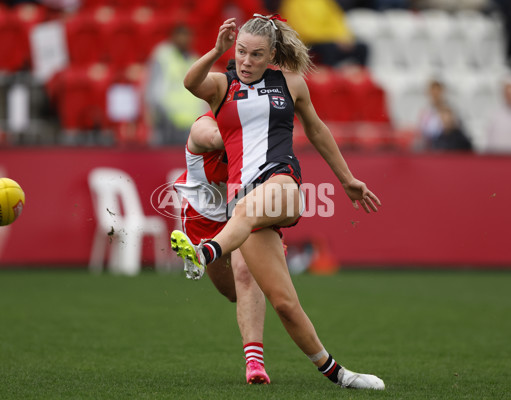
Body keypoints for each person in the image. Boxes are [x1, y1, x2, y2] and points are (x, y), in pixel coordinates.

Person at [170, 14, 385, 390]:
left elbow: (316, 129)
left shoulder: (291, 83)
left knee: (245, 209)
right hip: (244, 198)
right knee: (283, 302)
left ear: (272, 55)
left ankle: (204, 253)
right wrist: (216, 51)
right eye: (241, 53)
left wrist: (347, 179)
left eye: (256, 55)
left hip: (281, 180)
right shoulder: (222, 85)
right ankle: (340, 374)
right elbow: (190, 82)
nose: (247, 61)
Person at [173, 110, 271, 384]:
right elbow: (219, 137)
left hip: (242, 208)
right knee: (232, 292)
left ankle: (254, 363)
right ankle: (196, 256)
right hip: (204, 218)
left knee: (245, 275)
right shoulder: (204, 126)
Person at [146, 24, 206, 146]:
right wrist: (157, 113)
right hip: (167, 121)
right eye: (180, 35)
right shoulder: (163, 56)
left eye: (187, 36)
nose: (184, 39)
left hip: (190, 123)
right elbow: (154, 89)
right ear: (173, 37)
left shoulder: (195, 60)